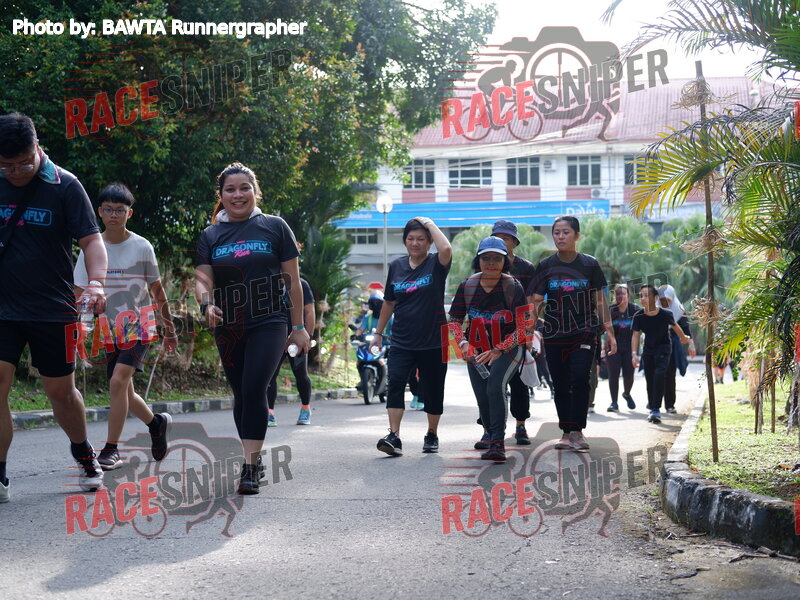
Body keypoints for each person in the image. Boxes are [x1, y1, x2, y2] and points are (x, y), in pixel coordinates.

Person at [0, 112, 108, 501]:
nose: (15, 172)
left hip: (53, 308)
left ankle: (83, 451)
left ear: (37, 147)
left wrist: (96, 283)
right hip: (3, 308)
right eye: (6, 165)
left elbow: (92, 242)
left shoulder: (65, 185)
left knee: (60, 391)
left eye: (23, 163)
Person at [195, 162, 310, 494]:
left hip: (270, 320)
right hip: (228, 325)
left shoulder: (274, 227)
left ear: (255, 191)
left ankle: (249, 467)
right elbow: (202, 281)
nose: (238, 194)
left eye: (244, 187)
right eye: (230, 189)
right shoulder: (210, 235)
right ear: (221, 195)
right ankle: (253, 459)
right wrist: (206, 304)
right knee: (241, 393)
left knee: (254, 386)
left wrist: (299, 326)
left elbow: (293, 282)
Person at [74, 183, 177, 470]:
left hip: (138, 325)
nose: (113, 215)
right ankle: (156, 424)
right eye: (108, 209)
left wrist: (169, 329)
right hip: (108, 329)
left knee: (118, 382)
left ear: (129, 213)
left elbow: (157, 291)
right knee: (125, 392)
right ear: (99, 212)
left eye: (120, 210)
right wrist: (80, 327)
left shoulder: (142, 246)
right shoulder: (90, 249)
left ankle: (111, 449)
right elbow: (79, 292)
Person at [529, 216, 617, 452]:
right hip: (554, 334)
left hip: (584, 331)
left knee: (579, 378)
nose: (560, 237)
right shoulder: (545, 266)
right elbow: (536, 301)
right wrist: (529, 331)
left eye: (565, 232)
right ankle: (566, 432)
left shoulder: (589, 264)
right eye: (556, 232)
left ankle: (577, 431)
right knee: (559, 383)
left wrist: (610, 333)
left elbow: (600, 301)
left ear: (577, 236)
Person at [371, 217, 451, 456]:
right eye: (411, 239)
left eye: (421, 239)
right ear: (405, 241)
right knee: (395, 383)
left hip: (434, 340)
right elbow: (389, 302)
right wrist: (378, 333)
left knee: (433, 389)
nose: (415, 243)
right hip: (402, 340)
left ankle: (432, 433)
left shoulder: (436, 263)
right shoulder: (396, 266)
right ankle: (394, 436)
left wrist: (430, 224)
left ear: (429, 242)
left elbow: (446, 248)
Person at [449, 236, 528, 462]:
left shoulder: (513, 287)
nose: (491, 263)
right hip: (476, 350)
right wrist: (464, 344)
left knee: (495, 385)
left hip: (509, 349)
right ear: (478, 261)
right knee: (482, 395)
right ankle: (489, 432)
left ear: (505, 262)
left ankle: (497, 443)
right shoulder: (468, 286)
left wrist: (499, 349)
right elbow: (454, 320)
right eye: (486, 258)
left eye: (496, 258)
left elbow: (523, 327)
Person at [489, 220, 537, 445]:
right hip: (490, 333)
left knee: (518, 383)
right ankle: (490, 428)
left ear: (514, 242)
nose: (501, 241)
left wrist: (528, 333)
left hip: (517, 331)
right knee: (490, 383)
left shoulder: (526, 268)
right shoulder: (486, 263)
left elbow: (531, 302)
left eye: (506, 238)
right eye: (497, 237)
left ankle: (520, 425)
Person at [631, 285, 692, 424]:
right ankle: (653, 407)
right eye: (641, 295)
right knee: (650, 379)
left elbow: (676, 327)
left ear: (655, 298)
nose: (643, 298)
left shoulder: (666, 314)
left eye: (646, 295)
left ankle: (655, 409)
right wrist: (634, 354)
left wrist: (684, 338)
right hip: (648, 350)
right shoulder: (638, 315)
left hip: (663, 349)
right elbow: (635, 335)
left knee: (659, 375)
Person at [357, 292, 423, 409]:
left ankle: (390, 382)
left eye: (378, 302)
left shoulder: (389, 316)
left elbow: (396, 328)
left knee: (397, 369)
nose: (376, 305)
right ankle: (363, 380)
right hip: (372, 345)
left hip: (387, 345)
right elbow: (361, 329)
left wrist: (392, 336)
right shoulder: (368, 318)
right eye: (373, 303)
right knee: (360, 360)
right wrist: (356, 335)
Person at [266, 275, 315, 426]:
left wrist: (308, 336)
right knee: (269, 376)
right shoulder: (269, 284)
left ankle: (305, 408)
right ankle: (269, 412)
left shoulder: (301, 284)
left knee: (300, 374)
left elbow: (309, 311)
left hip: (296, 339)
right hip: (275, 339)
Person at [658, 284, 696, 412]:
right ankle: (654, 402)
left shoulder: (679, 310)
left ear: (672, 298)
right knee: (656, 374)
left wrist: (691, 345)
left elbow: (686, 329)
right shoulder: (653, 309)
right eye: (662, 300)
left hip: (672, 345)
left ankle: (670, 404)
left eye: (668, 300)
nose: (665, 303)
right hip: (656, 344)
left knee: (670, 374)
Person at [606, 284, 641, 412]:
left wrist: (634, 353)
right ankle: (614, 403)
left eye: (623, 293)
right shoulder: (610, 310)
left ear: (628, 295)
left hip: (630, 346)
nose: (621, 296)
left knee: (629, 375)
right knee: (613, 374)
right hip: (613, 346)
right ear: (615, 296)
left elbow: (638, 331)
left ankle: (626, 394)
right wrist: (612, 340)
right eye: (618, 294)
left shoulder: (635, 310)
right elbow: (607, 328)